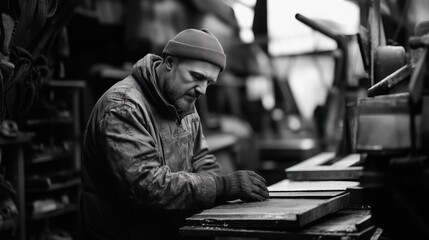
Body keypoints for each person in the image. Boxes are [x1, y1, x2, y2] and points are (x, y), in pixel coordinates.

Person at [80, 28, 269, 240]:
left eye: (209, 82)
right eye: (197, 76)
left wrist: (222, 197)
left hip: (165, 230)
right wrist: (222, 187)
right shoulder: (123, 107)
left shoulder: (183, 101)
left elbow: (202, 158)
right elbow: (146, 186)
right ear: (169, 63)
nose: (202, 90)